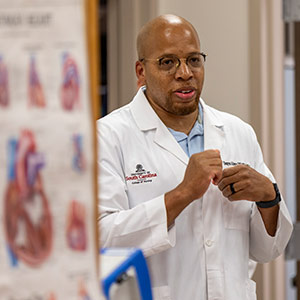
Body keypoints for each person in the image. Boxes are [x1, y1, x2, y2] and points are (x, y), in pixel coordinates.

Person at [97, 14, 293, 300]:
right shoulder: (109, 136)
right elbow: (100, 240)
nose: (185, 73)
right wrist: (182, 194)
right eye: (168, 62)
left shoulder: (238, 132)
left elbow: (267, 251)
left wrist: (268, 199)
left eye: (193, 59)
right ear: (141, 71)